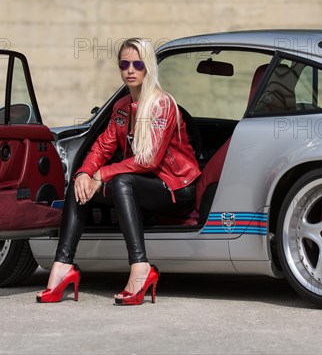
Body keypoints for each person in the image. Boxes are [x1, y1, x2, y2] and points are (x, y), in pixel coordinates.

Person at [36, 38, 201, 305]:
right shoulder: (122, 107)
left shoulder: (163, 105)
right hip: (143, 185)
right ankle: (62, 266)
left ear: (148, 67)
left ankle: (140, 267)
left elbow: (148, 160)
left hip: (176, 189)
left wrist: (102, 174)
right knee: (79, 185)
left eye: (138, 64)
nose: (130, 70)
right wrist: (85, 173)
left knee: (122, 181)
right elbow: (102, 146)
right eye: (124, 64)